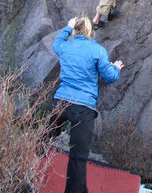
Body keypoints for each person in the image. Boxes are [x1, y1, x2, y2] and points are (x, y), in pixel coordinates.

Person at [50, 16, 124, 193]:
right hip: (83, 108)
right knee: (78, 157)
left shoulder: (65, 47)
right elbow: (109, 76)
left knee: (41, 140)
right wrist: (116, 67)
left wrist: (68, 28)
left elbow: (57, 43)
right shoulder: (97, 50)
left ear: (74, 31)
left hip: (60, 102)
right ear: (91, 32)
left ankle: (24, 169)